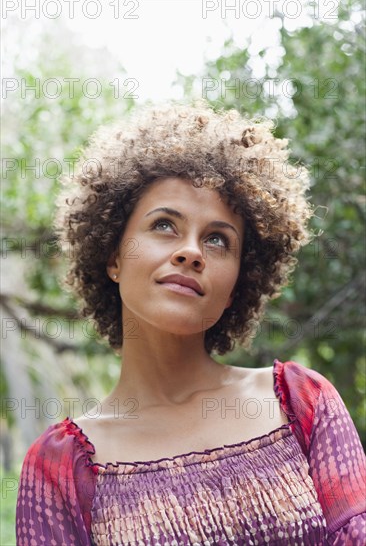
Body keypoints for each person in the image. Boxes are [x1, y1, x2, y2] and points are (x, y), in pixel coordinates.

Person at [16, 102, 365, 545]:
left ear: (238, 282)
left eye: (218, 240)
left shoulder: (301, 403)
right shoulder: (60, 468)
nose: (191, 251)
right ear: (113, 257)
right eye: (164, 225)